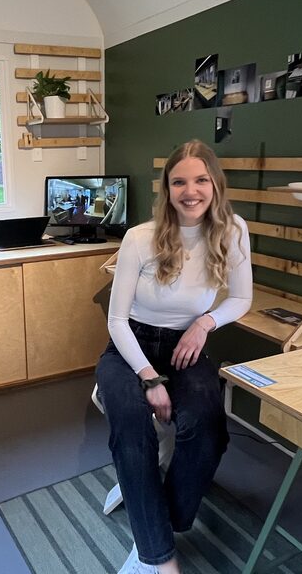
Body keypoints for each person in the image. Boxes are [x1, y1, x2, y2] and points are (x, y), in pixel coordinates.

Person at [96, 139, 252, 573]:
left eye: (201, 180)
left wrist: (205, 324)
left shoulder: (233, 230)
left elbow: (241, 298)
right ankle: (160, 557)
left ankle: (165, 519)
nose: (191, 191)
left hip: (187, 345)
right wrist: (148, 378)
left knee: (208, 427)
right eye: (179, 181)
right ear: (166, 188)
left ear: (215, 184)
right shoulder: (139, 238)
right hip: (131, 349)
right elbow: (116, 322)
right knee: (132, 429)